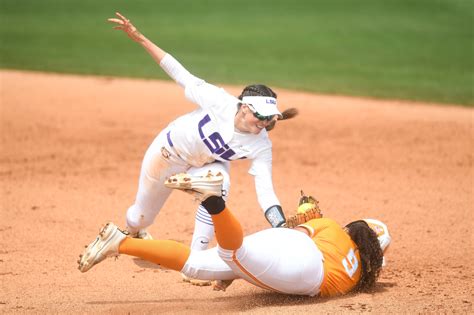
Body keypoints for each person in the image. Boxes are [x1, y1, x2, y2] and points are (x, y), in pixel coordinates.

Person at [106, 12, 296, 261]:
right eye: (260, 116)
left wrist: (280, 225)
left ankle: (195, 257)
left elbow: (265, 191)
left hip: (204, 166)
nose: (263, 123)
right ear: (245, 107)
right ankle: (132, 233)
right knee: (139, 217)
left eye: (268, 118)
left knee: (220, 185)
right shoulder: (217, 100)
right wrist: (140, 38)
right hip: (168, 152)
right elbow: (179, 72)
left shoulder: (261, 145)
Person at [78, 172, 391, 297]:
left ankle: (120, 242)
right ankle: (215, 202)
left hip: (292, 242)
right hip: (309, 272)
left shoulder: (332, 227)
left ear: (354, 227)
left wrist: (241, 273)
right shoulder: (362, 273)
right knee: (235, 254)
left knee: (197, 265)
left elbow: (288, 234)